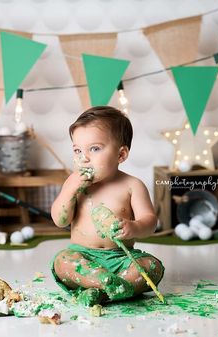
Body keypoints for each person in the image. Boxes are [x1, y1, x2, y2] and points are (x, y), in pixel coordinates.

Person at [50, 106, 164, 307]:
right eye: (77, 150)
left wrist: (134, 227)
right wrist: (70, 192)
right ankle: (109, 285)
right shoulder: (73, 183)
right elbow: (60, 221)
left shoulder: (132, 186)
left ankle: (99, 291)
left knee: (152, 266)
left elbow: (150, 221)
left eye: (94, 148)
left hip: (120, 259)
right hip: (83, 256)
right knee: (63, 261)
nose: (83, 158)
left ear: (121, 155)